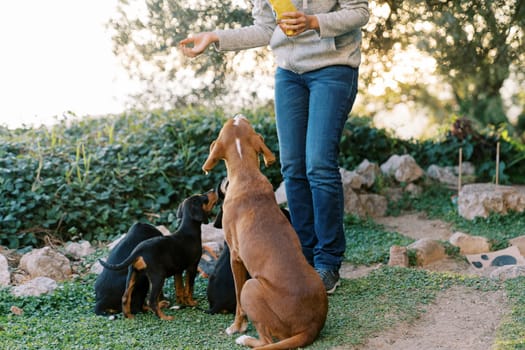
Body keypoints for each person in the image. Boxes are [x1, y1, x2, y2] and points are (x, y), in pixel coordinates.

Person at [180, 0, 369, 294]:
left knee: (318, 164)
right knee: (292, 167)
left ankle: (328, 262)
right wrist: (216, 37)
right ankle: (303, 256)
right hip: (290, 75)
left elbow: (359, 12)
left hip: (333, 68)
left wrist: (313, 21)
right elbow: (266, 28)